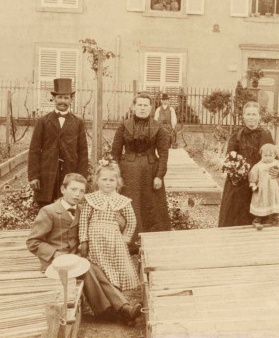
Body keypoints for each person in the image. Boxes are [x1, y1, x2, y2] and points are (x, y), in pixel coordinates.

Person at [26, 173, 141, 323]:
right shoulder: (49, 211)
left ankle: (124, 308)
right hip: (56, 263)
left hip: (76, 258)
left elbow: (109, 220)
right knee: (87, 270)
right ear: (63, 189)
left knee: (96, 269)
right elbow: (33, 242)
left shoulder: (84, 210)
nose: (77, 194)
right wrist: (55, 254)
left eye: (81, 191)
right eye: (73, 189)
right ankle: (107, 311)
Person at [111, 93, 171, 251]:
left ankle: (152, 243)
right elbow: (115, 152)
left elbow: (164, 154)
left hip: (150, 172)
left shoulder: (158, 127)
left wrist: (159, 176)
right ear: (133, 107)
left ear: (151, 108)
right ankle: (129, 243)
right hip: (128, 172)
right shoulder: (124, 125)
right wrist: (115, 176)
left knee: (151, 206)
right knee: (130, 205)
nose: (142, 108)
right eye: (140, 105)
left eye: (146, 105)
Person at [79, 162, 139, 292]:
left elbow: (132, 220)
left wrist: (126, 237)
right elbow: (84, 220)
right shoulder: (91, 199)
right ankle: (103, 289)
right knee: (99, 264)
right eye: (104, 179)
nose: (108, 183)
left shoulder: (122, 200)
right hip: (95, 239)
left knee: (115, 263)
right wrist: (84, 239)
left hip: (114, 239)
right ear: (96, 181)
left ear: (118, 182)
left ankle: (115, 287)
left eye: (112, 180)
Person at [28, 78, 89, 207]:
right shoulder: (43, 121)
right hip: (47, 173)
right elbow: (34, 150)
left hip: (69, 172)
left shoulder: (78, 122)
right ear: (54, 99)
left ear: (71, 100)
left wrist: (81, 178)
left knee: (68, 207)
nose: (62, 101)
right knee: (46, 209)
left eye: (66, 98)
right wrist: (33, 176)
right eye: (59, 97)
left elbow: (83, 152)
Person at [218, 101, 274, 227]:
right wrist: (236, 168)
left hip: (260, 182)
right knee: (235, 216)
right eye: (248, 114)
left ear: (259, 116)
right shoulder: (236, 136)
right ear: (243, 116)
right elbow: (229, 159)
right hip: (240, 184)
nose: (251, 117)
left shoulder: (266, 135)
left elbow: (274, 157)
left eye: (254, 114)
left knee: (259, 217)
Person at [249, 143, 279, 230]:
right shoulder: (258, 166)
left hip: (274, 188)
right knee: (262, 202)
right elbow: (253, 177)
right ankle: (258, 219)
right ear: (261, 155)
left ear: (275, 155)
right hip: (263, 189)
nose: (267, 158)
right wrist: (253, 185)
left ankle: (276, 217)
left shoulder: (278, 163)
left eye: (270, 155)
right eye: (265, 155)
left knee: (275, 200)